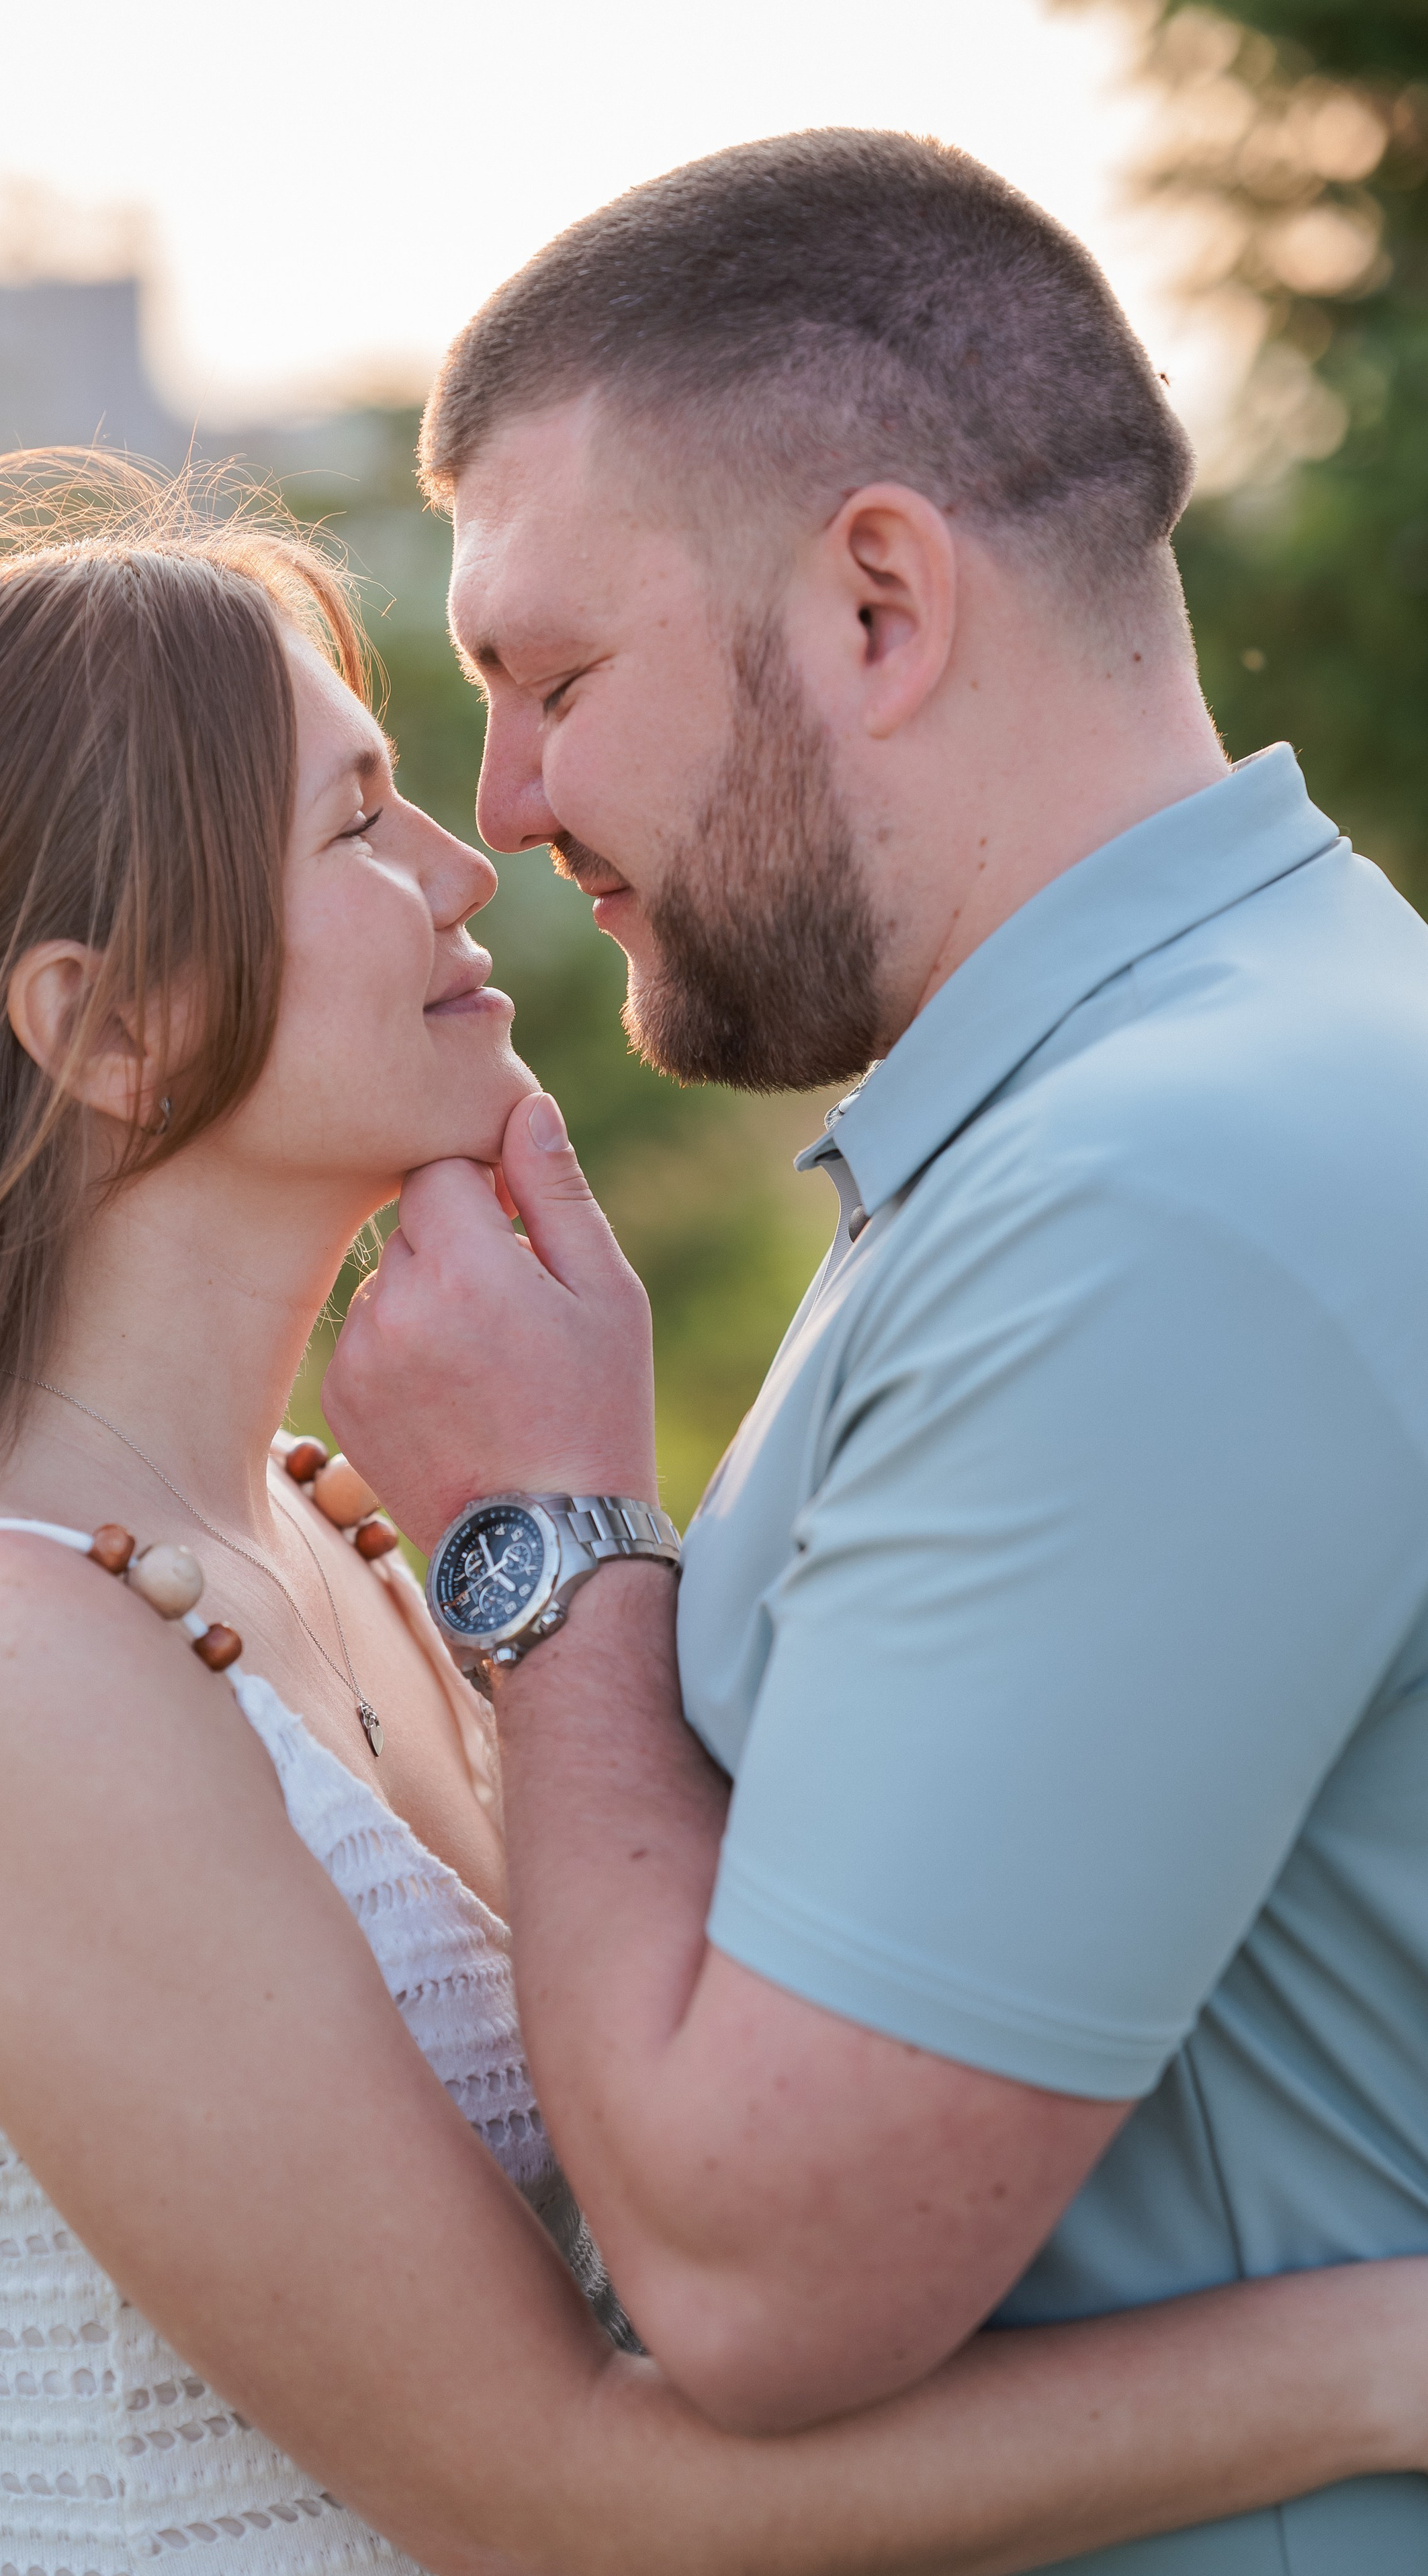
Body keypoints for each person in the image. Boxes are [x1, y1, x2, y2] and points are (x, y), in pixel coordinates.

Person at [0, 461, 1422, 2576]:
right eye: (352, 825)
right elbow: (550, 2489)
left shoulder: (340, 1542)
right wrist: (1369, 2356)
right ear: (105, 1027)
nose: (462, 860)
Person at [321, 130, 1428, 2576]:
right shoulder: (1206, 1083)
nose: (504, 809)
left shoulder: (1162, 1203)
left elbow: (756, 2278)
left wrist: (545, 1537)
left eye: (556, 679)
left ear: (877, 604)